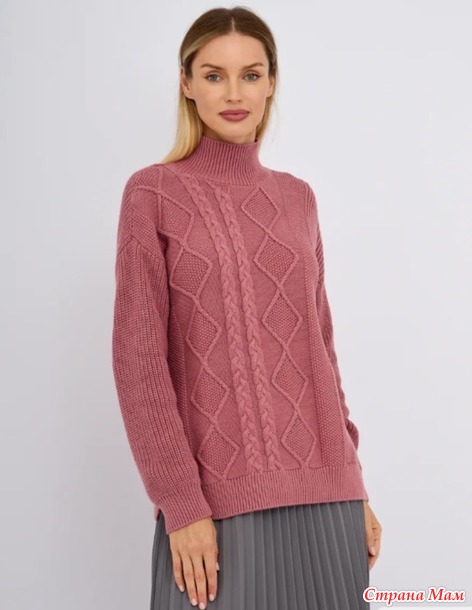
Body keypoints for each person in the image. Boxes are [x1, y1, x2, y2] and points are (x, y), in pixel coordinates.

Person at [111, 6, 382, 610]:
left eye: (251, 75)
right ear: (187, 83)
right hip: (215, 509)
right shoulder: (152, 193)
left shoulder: (297, 198)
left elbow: (320, 349)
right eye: (214, 75)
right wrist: (181, 504)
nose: (234, 93)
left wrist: (355, 482)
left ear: (271, 82)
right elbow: (139, 364)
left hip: (330, 500)